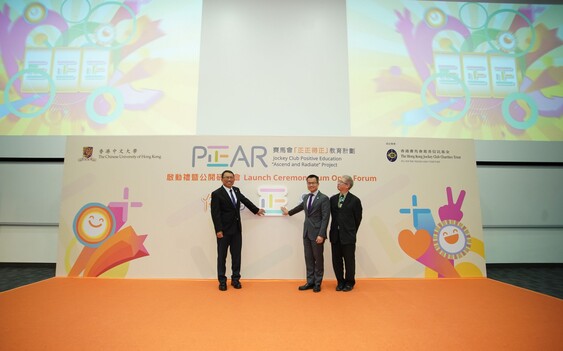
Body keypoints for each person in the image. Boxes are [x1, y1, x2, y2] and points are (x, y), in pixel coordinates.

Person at [211, 170, 265, 291]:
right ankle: (222, 281)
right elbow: (215, 214)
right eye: (227, 177)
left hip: (236, 230)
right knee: (222, 257)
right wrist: (218, 230)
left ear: (234, 179)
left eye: (231, 177)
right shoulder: (216, 193)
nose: (229, 179)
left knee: (236, 256)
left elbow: (245, 200)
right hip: (223, 231)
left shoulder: (236, 190)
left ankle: (236, 280)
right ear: (222, 179)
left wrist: (256, 210)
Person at [281, 174, 330, 292]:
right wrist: (288, 212)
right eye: (309, 183)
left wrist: (321, 234)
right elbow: (300, 207)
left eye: (313, 183)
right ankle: (310, 281)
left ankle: (318, 283)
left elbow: (325, 218)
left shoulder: (323, 198)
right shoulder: (306, 197)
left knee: (318, 259)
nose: (311, 185)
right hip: (306, 233)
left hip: (317, 234)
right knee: (308, 258)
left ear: (318, 184)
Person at [329, 175, 362, 292]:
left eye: (340, 182)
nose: (338, 183)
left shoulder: (355, 200)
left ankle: (349, 282)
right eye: (338, 181)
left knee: (349, 261)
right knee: (336, 261)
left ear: (347, 185)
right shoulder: (332, 199)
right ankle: (340, 281)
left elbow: (357, 219)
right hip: (335, 236)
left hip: (348, 236)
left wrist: (351, 231)